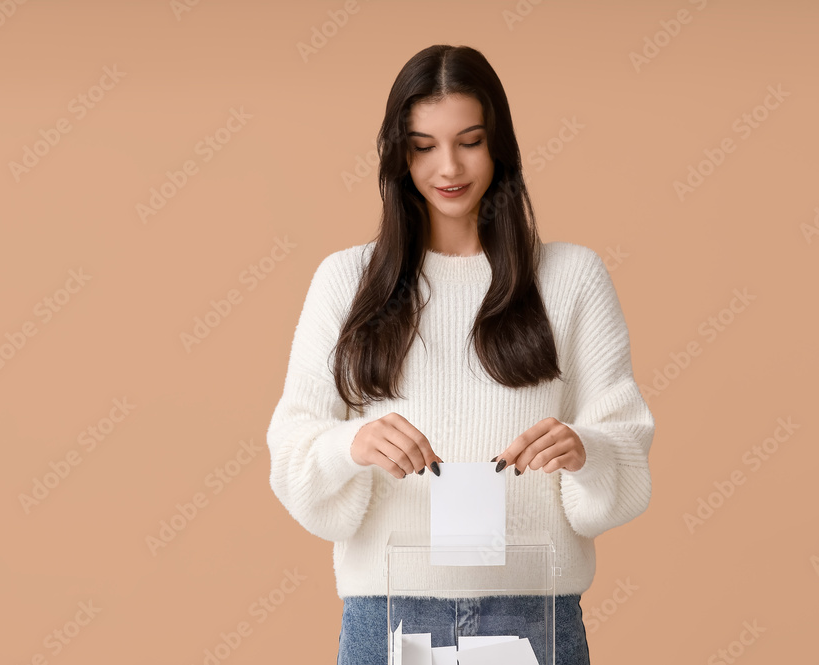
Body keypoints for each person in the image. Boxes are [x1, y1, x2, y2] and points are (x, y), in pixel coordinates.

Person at [266, 44, 655, 665]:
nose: (448, 167)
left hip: (536, 615)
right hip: (387, 618)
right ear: (398, 156)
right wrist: (352, 445)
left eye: (469, 140)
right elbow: (291, 457)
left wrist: (586, 449)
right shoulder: (346, 282)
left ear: (499, 145)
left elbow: (626, 451)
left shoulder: (572, 277)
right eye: (422, 146)